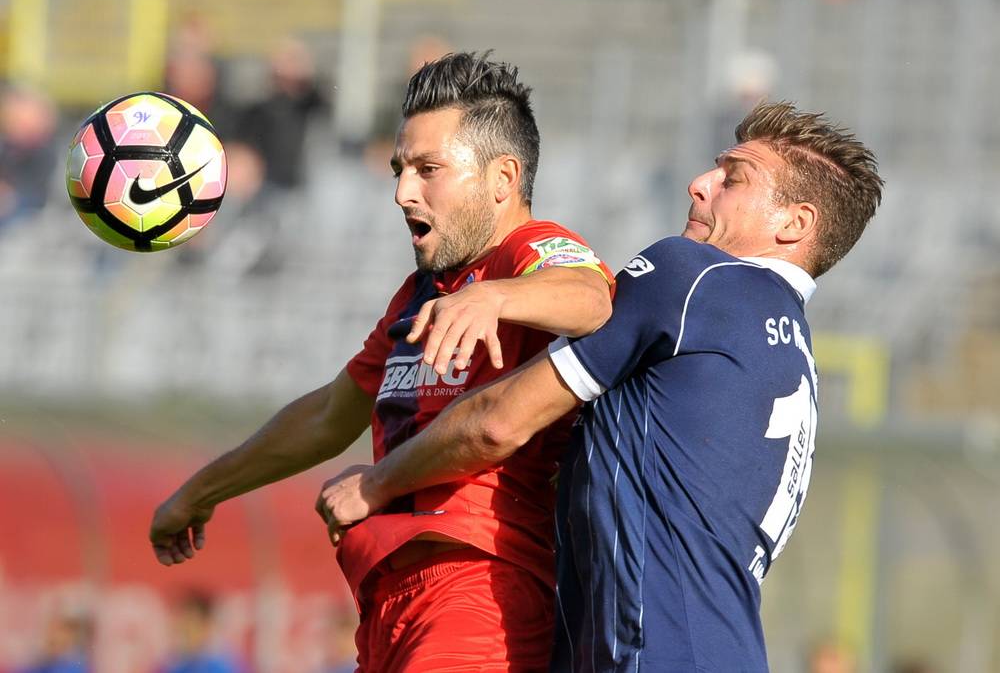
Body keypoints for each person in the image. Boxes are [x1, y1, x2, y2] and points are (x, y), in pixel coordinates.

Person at [318, 101, 884, 671]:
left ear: (795, 223)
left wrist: (379, 482)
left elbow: (500, 421)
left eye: (732, 178)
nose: (699, 184)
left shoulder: (695, 277)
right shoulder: (793, 351)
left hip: (648, 655)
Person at [150, 51, 614, 671]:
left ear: (503, 179)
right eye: (400, 169)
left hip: (481, 585)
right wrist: (201, 492)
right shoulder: (424, 291)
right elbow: (328, 415)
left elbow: (594, 299)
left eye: (429, 169)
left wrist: (497, 296)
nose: (402, 192)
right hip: (391, 597)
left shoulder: (526, 252)